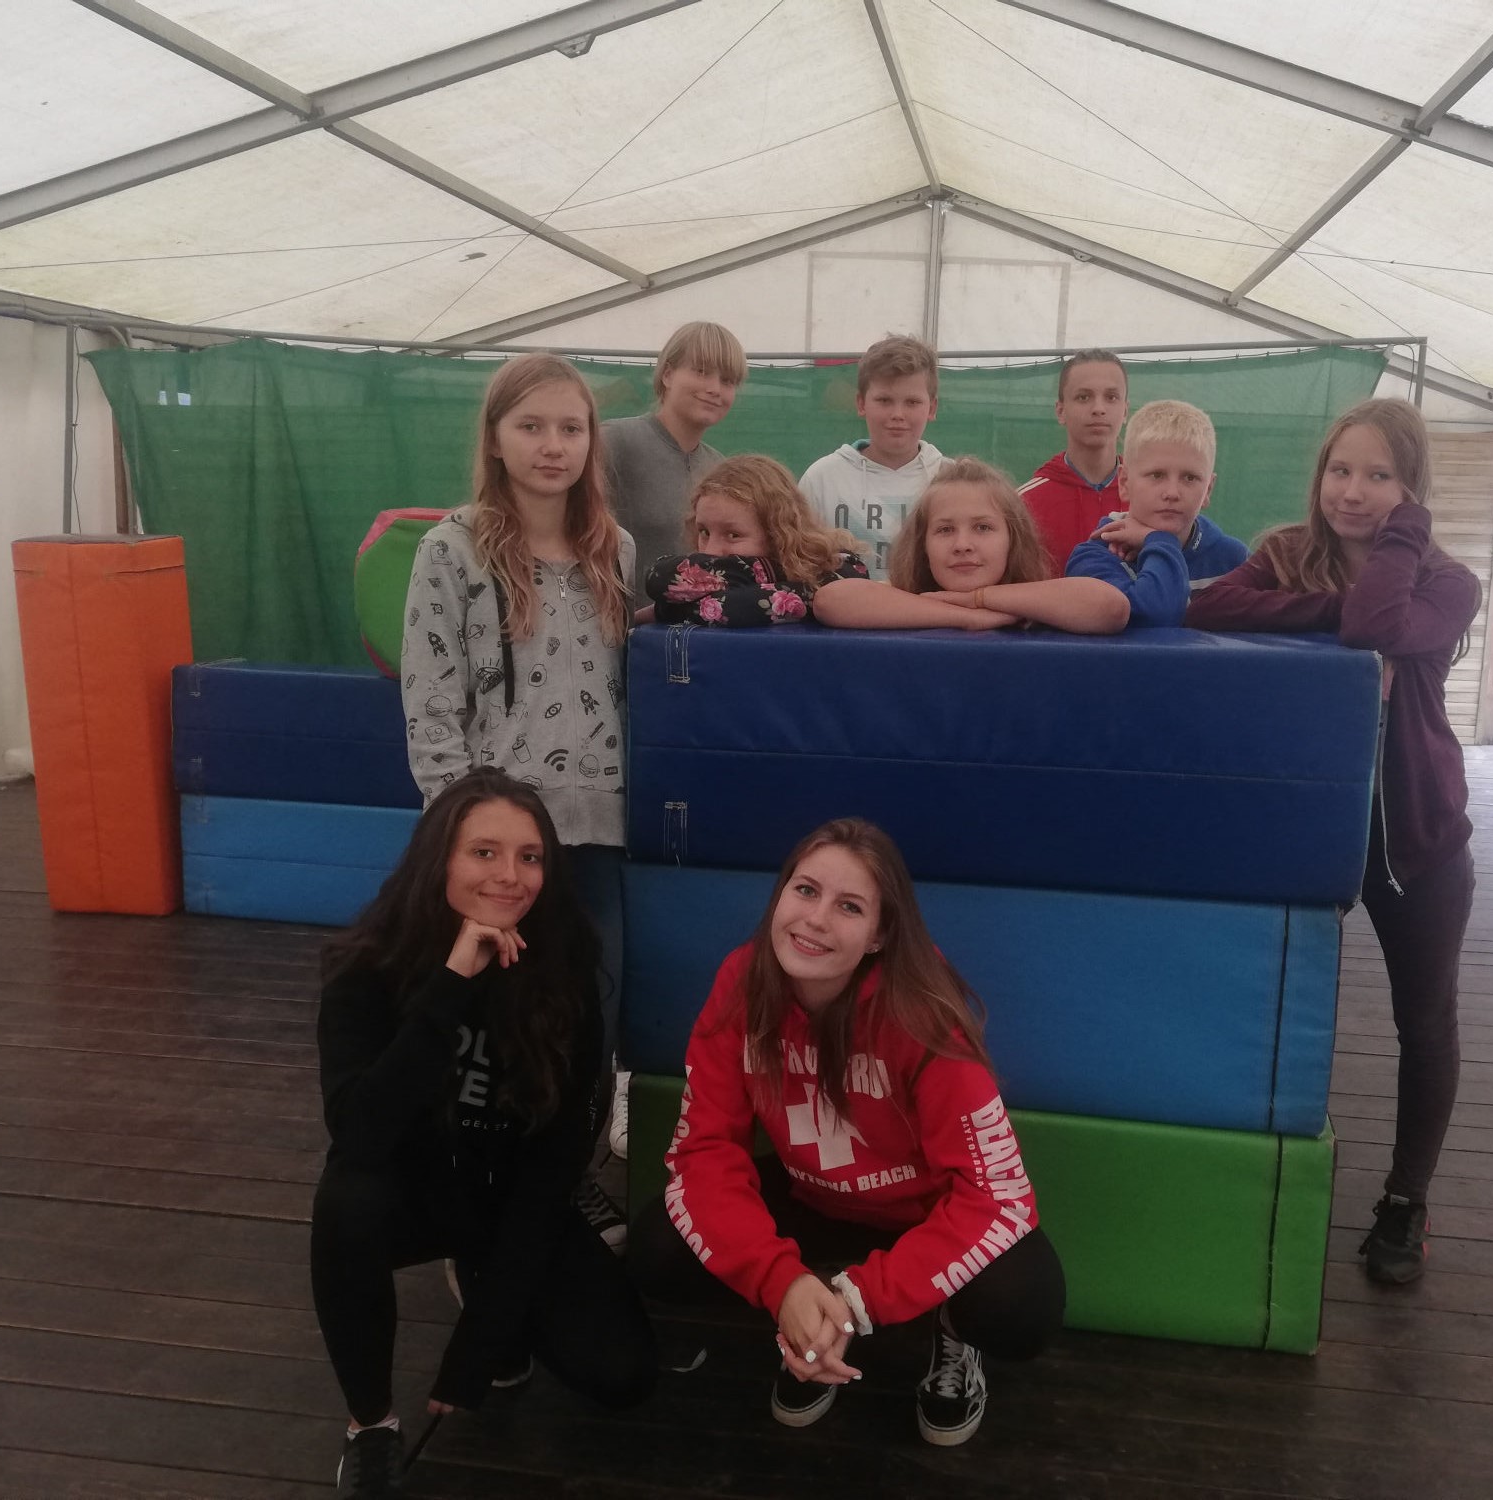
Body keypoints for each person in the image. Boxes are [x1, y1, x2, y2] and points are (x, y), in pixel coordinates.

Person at [628, 818, 1065, 1446]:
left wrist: (860, 1301)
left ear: (880, 934)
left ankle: (931, 1329)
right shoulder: (743, 982)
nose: (815, 919)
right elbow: (705, 1151)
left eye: (849, 906)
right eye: (805, 890)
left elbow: (998, 1196)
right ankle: (807, 1320)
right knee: (660, 1251)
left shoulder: (922, 1012)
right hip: (813, 1197)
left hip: (923, 1215)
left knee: (1020, 1307)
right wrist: (782, 1282)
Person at [1185, 397, 1479, 1285]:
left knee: (1424, 1019)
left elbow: (1379, 626)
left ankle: (1406, 1200)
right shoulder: (1284, 552)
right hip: (1302, 828)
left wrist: (1399, 543)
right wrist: (1330, 607)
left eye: (1379, 476)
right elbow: (1215, 605)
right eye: (1340, 471)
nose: (1352, 492)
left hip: (1415, 839)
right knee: (1258, 1002)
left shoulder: (1448, 582)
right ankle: (1240, 1173)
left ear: (1413, 489)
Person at [311, 772, 656, 1499]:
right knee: (346, 1204)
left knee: (622, 1375)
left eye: (530, 857)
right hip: (409, 1190)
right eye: (484, 852)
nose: (510, 875)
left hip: (505, 1199)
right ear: (439, 860)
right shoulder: (366, 966)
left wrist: (482, 1338)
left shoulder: (564, 970)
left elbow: (555, 1168)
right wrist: (452, 983)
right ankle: (369, 1424)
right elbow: (361, 1133)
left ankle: (479, 1281)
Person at [401, 352, 634, 1243]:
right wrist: (461, 840)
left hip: (601, 832)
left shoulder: (616, 550)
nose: (552, 445)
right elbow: (430, 703)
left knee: (592, 1016)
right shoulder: (451, 550)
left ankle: (565, 1182)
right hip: (501, 841)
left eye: (571, 428)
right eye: (531, 426)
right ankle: (478, 1190)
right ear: (495, 439)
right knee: (494, 1020)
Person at [812, 457, 1128, 634]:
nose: (962, 544)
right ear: (922, 545)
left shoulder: (1039, 602)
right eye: (945, 529)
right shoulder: (906, 596)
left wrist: (978, 599)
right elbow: (831, 600)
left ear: (1013, 539)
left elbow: (1111, 608)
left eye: (983, 527)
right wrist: (965, 616)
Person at [1064, 400, 1248, 627]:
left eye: (1190, 478)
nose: (1172, 493)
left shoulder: (1235, 560)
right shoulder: (1093, 558)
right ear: (1124, 482)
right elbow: (1155, 618)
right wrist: (1161, 542)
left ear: (1208, 490)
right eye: (1157, 475)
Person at [641, 454, 869, 626]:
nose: (711, 551)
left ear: (777, 536)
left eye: (733, 535)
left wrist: (666, 610)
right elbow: (660, 577)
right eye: (704, 532)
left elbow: (733, 607)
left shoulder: (841, 569)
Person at [604, 321, 747, 593]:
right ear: (667, 375)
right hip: (618, 618)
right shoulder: (614, 442)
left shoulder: (720, 469)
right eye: (702, 371)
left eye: (727, 380)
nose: (715, 388)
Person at [799, 335, 946, 577]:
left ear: (932, 408)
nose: (898, 414)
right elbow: (799, 562)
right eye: (884, 400)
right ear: (861, 403)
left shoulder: (950, 478)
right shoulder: (821, 479)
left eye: (912, 402)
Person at [1020, 350, 1130, 574]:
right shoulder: (1022, 505)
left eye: (1111, 397)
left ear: (1125, 411)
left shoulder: (1151, 496)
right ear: (1061, 411)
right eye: (1083, 397)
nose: (1098, 409)